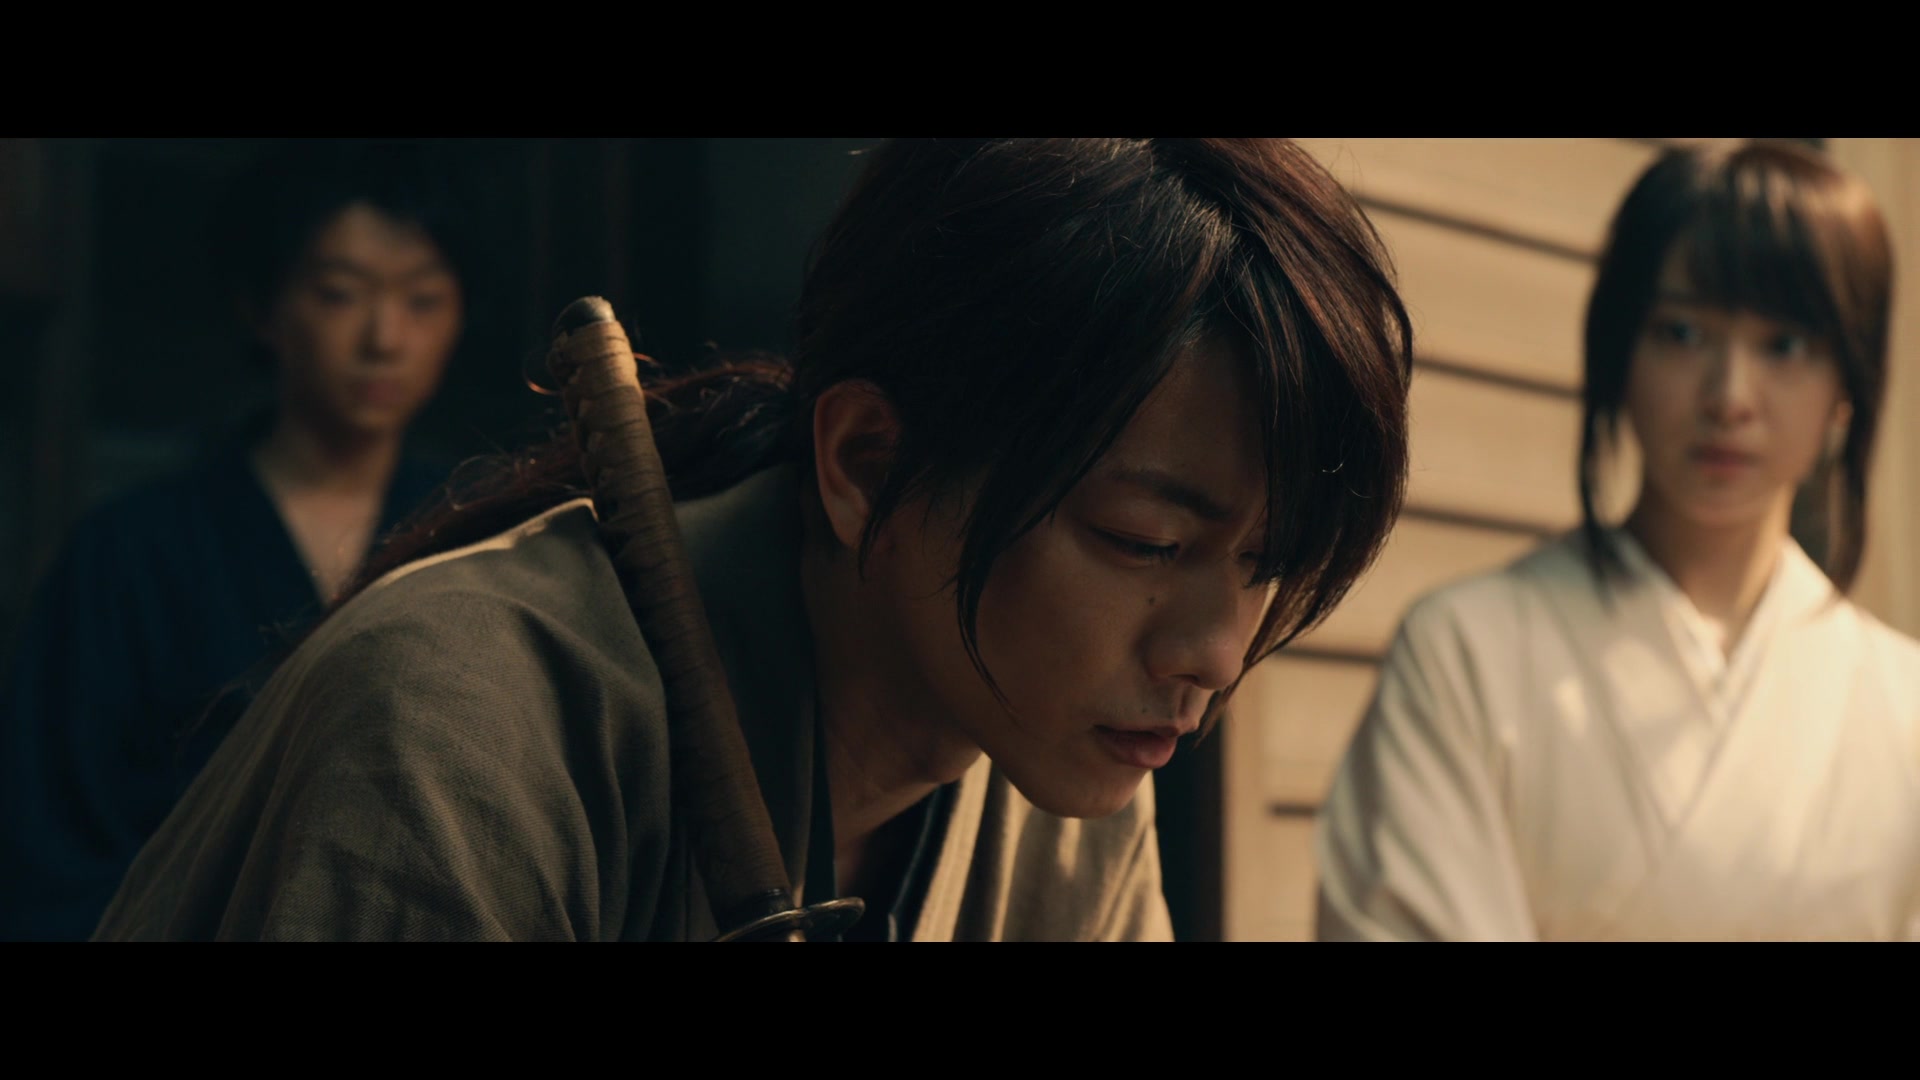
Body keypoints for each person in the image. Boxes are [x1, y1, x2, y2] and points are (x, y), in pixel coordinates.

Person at [93, 138, 1415, 942]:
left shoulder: (1057, 786)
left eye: (1266, 565)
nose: (1215, 656)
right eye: (1145, 541)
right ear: (867, 468)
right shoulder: (455, 736)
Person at [1315, 139, 1920, 941]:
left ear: (1848, 387)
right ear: (1617, 352)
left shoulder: (1903, 705)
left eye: (1784, 346)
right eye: (1681, 332)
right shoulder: (1465, 654)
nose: (1730, 396)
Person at [1, 139, 468, 941]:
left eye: (422, 300)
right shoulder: (131, 553)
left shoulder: (480, 534)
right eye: (339, 294)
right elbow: (50, 844)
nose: (385, 338)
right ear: (262, 308)